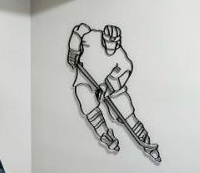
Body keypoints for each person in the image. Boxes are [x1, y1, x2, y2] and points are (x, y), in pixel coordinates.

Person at [65, 22, 161, 164]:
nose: (110, 49)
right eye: (107, 44)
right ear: (103, 40)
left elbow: (123, 73)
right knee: (87, 103)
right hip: (86, 80)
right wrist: (73, 52)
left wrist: (107, 87)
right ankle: (106, 136)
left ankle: (146, 142)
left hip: (110, 88)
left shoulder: (123, 60)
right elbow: (79, 29)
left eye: (114, 45)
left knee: (125, 112)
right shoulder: (91, 36)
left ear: (118, 43)